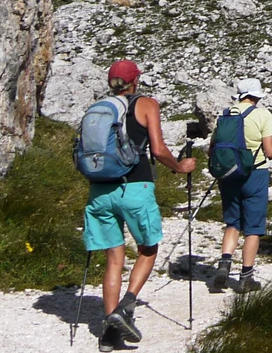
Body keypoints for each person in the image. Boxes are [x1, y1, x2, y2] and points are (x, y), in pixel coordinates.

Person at [85, 60, 197, 352]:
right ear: (135, 81)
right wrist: (179, 167)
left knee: (114, 258)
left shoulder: (99, 108)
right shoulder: (146, 104)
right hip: (135, 187)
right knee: (148, 247)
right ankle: (126, 305)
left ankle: (109, 335)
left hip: (99, 189)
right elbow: (158, 149)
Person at [208, 79, 272, 294]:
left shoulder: (225, 115)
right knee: (253, 227)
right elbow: (270, 151)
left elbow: (212, 148)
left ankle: (224, 264)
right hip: (255, 173)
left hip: (228, 175)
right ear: (256, 96)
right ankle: (246, 277)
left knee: (233, 223)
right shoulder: (262, 114)